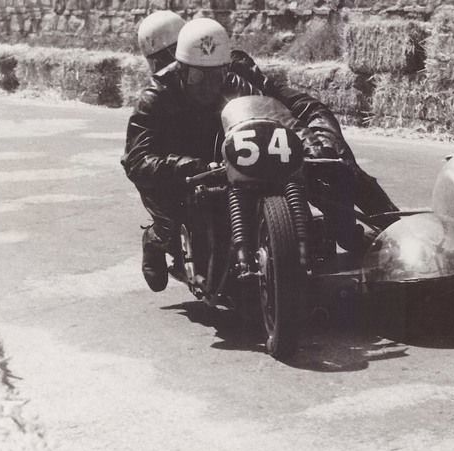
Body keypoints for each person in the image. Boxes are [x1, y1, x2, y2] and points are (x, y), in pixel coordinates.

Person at [121, 16, 398, 291]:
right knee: (178, 215)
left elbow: (283, 111)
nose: (208, 86)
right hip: (188, 169)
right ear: (180, 69)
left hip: (236, 152)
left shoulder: (237, 77)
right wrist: (187, 166)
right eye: (196, 76)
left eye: (216, 75)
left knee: (332, 168)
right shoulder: (155, 98)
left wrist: (311, 144)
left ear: (225, 68)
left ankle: (392, 229)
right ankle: (157, 238)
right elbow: (136, 160)